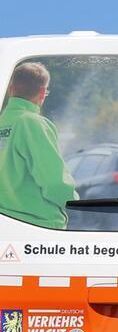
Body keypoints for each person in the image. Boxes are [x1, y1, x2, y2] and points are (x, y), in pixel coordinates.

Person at [0, 62, 77, 229]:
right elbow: (54, 181)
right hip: (37, 227)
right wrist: (72, 200)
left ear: (11, 89)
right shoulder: (32, 124)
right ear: (42, 92)